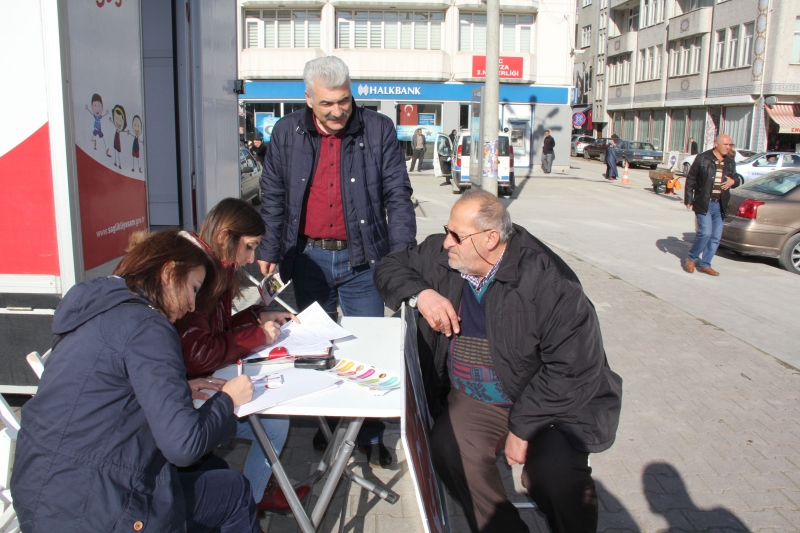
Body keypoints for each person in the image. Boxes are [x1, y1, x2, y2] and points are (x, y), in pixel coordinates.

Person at [374, 190, 623, 533]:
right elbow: (390, 264)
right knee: (450, 448)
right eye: (447, 230)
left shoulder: (548, 280)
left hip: (552, 405)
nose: (446, 242)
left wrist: (522, 428)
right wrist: (422, 294)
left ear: (491, 239)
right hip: (478, 398)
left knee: (556, 478)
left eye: (456, 235)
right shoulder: (444, 254)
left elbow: (573, 366)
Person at [11, 229, 261, 533]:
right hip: (97, 513)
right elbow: (183, 447)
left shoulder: (98, 307)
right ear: (170, 273)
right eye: (194, 288)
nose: (193, 306)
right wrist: (229, 400)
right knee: (233, 490)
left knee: (214, 470)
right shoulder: (148, 326)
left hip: (42, 496)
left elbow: (103, 390)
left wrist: (178, 388)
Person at [258, 55, 416, 466]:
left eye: (344, 101)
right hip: (307, 259)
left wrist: (401, 257)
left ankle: (370, 434)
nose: (338, 111)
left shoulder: (377, 129)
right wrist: (267, 251)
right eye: (327, 103)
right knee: (317, 348)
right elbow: (273, 196)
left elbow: (398, 195)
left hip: (363, 260)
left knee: (367, 351)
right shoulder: (286, 131)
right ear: (308, 99)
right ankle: (330, 430)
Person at [176, 198, 309, 513]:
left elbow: (216, 329)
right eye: (249, 247)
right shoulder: (202, 274)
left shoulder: (211, 265)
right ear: (225, 238)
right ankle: (249, 502)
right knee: (274, 424)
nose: (251, 259)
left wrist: (258, 315)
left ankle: (253, 493)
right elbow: (198, 354)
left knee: (274, 422)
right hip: (184, 396)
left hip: (185, 386)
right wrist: (259, 334)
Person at [684, 134, 741, 276]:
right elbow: (691, 178)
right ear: (717, 144)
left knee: (715, 237)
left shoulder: (730, 162)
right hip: (704, 202)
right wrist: (689, 198)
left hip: (721, 204)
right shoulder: (703, 158)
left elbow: (737, 178)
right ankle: (692, 258)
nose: (728, 147)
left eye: (730, 145)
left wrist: (734, 181)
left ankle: (705, 264)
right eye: (725, 144)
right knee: (705, 232)